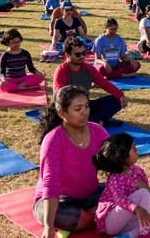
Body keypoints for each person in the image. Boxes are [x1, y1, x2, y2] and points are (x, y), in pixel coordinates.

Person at [34, 86, 110, 236]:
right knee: (53, 216)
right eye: (78, 109)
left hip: (91, 195)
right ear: (62, 112)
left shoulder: (97, 131)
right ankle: (100, 217)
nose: (85, 112)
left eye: (87, 106)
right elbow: (50, 184)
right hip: (60, 201)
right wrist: (49, 227)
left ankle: (85, 218)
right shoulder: (52, 141)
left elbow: (116, 161)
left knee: (126, 189)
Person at [92, 133, 150, 237]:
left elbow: (144, 191)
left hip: (126, 219)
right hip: (111, 222)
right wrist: (138, 209)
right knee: (144, 193)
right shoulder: (115, 178)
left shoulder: (137, 171)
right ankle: (145, 233)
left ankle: (128, 236)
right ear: (122, 156)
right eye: (134, 149)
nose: (137, 151)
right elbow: (120, 199)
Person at [53, 36, 127, 124]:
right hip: (68, 109)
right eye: (77, 54)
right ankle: (94, 122)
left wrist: (120, 95)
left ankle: (91, 122)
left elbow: (103, 83)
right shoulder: (61, 71)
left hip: (85, 107)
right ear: (67, 55)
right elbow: (61, 98)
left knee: (116, 101)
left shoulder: (88, 68)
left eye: (83, 53)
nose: (82, 57)